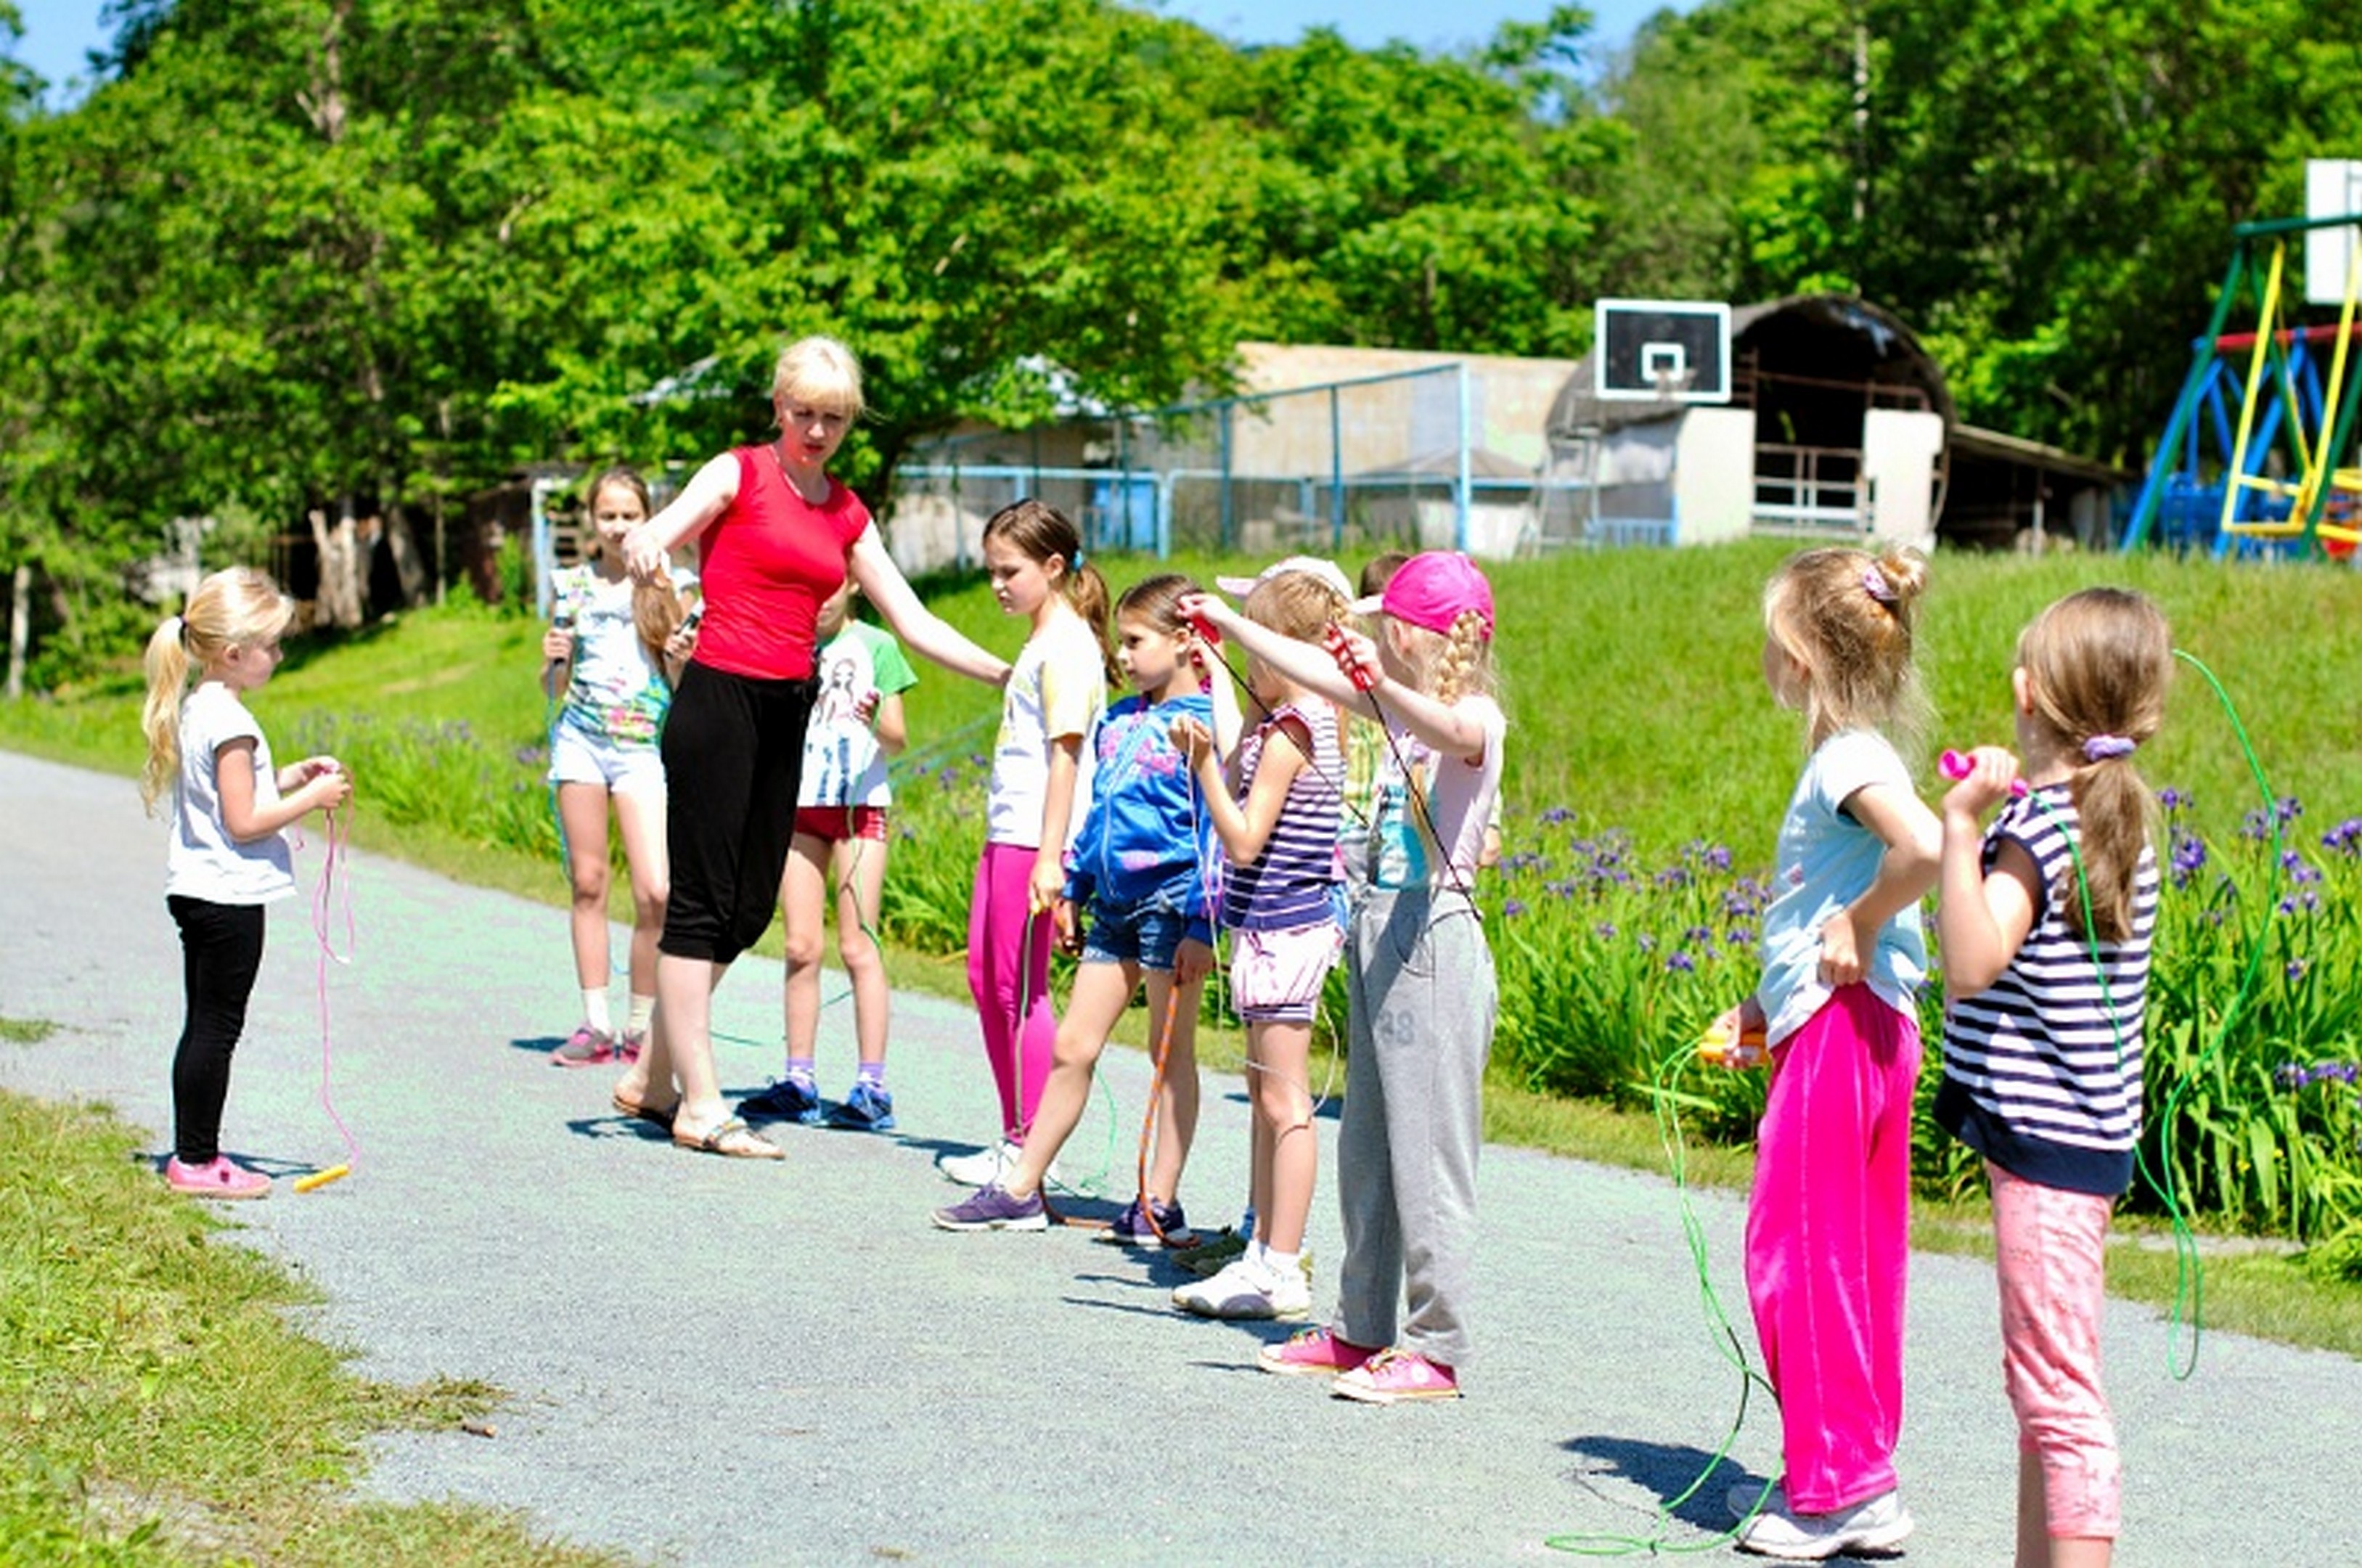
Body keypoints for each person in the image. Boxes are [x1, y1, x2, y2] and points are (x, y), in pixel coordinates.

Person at [607, 335, 1008, 1159]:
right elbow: (663, 530)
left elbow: (914, 620)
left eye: (833, 418)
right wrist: (647, 545)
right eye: (803, 415)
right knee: (700, 902)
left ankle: (651, 1077)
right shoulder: (740, 472)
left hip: (790, 706)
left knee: (750, 905)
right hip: (717, 698)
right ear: (777, 410)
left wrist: (1008, 671)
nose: (816, 432)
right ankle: (700, 1105)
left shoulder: (846, 511)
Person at [1183, 550, 1504, 1406]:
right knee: (1368, 1143)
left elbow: (1454, 736)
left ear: (1406, 632)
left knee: (1429, 1155)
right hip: (1374, 927)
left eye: (1379, 622)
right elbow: (1302, 663)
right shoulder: (1393, 709)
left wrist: (1386, 691)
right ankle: (1362, 1326)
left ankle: (1433, 1350)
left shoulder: (1469, 713)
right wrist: (1228, 628)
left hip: (1432, 937)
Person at [1709, 545, 1942, 1559]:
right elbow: (1827, 912)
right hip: (1858, 1028)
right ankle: (1856, 1475)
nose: (1762, 651)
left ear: (1799, 651)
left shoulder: (1846, 756)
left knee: (1792, 1259)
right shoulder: (1853, 754)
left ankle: (1836, 1488)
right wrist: (1765, 1006)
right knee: (1848, 1259)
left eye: (1772, 632)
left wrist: (1856, 921)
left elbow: (1923, 850)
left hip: (1845, 1037)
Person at [1934, 589, 2171, 1568]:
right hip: (2082, 1143)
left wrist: (1957, 829)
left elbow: (1972, 959)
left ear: (2026, 693)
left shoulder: (2034, 832)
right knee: (2043, 1382)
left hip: (2045, 1157)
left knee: (2060, 1396)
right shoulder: (2107, 815)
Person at [931, 573, 1235, 1233]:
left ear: (1185, 641)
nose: (1122, 656)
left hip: (1171, 905)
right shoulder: (1123, 720)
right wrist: (1075, 883)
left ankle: (1160, 1202)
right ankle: (1019, 1188)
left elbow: (1216, 835)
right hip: (1115, 906)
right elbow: (1099, 814)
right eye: (1120, 642)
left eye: (1135, 641)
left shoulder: (1211, 726)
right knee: (1073, 1044)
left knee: (1168, 1052)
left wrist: (1200, 924)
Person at [1165, 569, 1350, 1320]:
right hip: (1273, 928)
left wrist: (1200, 764)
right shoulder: (1300, 721)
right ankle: (1262, 1254)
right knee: (1268, 1100)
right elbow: (1243, 753)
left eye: (1253, 636)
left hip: (1284, 930)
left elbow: (1241, 840)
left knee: (1283, 1103)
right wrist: (1225, 687)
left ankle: (1280, 1265)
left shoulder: (1293, 734)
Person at [139, 567, 354, 1199]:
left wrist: (287, 775)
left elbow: (231, 795)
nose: (280, 655)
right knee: (217, 1027)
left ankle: (194, 1150)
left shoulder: (201, 708)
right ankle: (197, 1160)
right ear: (234, 654)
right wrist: (314, 797)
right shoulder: (230, 721)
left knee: (204, 1020)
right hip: (228, 895)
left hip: (198, 890)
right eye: (273, 645)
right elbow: (244, 820)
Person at [936, 499, 1113, 1188]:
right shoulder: (1041, 640)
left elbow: (1066, 757)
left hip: (1033, 839)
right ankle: (1016, 1132)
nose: (997, 585)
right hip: (1006, 830)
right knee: (988, 981)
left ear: (1053, 566)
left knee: (1019, 990)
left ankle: (1030, 1147)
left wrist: (1051, 858)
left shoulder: (1068, 645)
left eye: (1009, 571)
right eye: (991, 571)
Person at [738, 578, 917, 1131]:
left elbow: (897, 738)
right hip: (798, 807)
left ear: (856, 582)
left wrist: (872, 717)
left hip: (858, 809)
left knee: (857, 946)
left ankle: (872, 1088)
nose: (817, 601)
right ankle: (799, 1080)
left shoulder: (877, 646)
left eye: (828, 587)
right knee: (799, 945)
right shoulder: (785, 643)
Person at [539, 466, 698, 1068]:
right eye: (607, 515)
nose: (618, 527)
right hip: (580, 740)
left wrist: (682, 656)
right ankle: (595, 1022)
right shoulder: (573, 585)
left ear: (648, 519)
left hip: (639, 749)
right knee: (588, 882)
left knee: (655, 891)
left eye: (630, 516)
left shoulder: (667, 583)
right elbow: (552, 684)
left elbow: (683, 678)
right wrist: (553, 661)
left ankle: (640, 1023)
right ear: (591, 520)